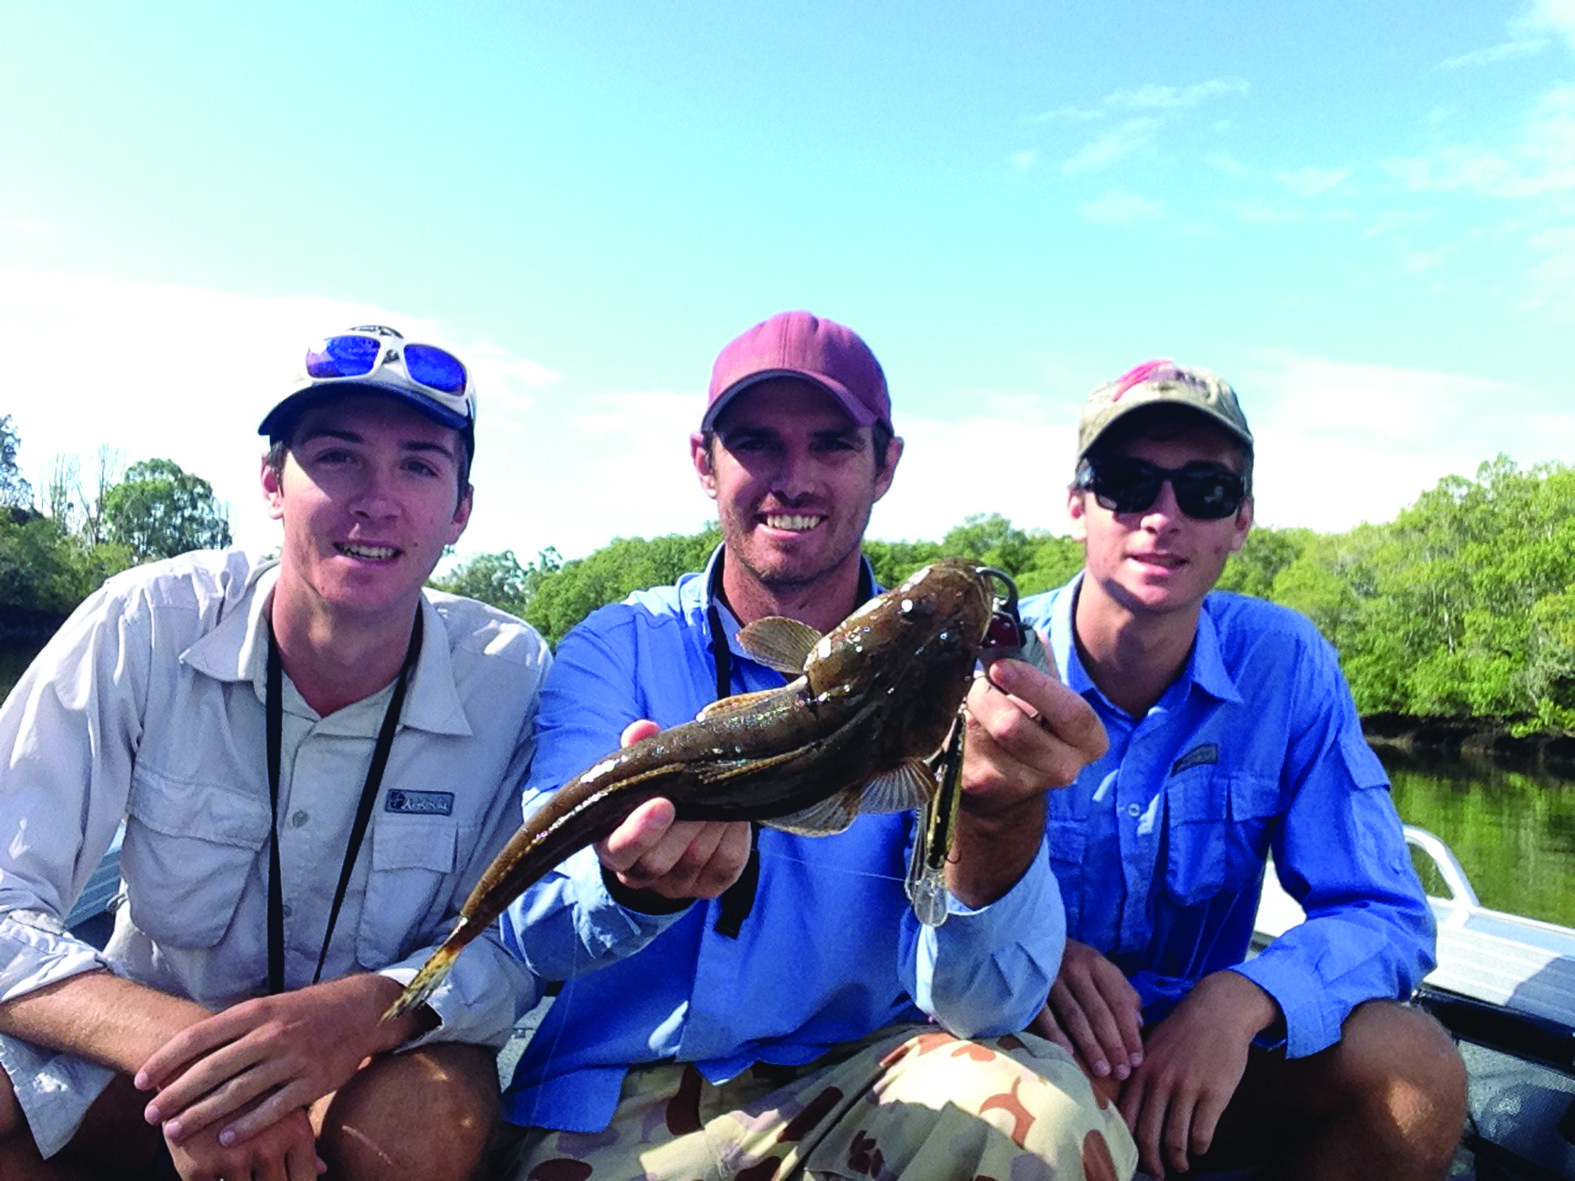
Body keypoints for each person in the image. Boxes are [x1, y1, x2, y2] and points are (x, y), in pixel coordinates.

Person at [494, 310, 1138, 1180]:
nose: (792, 478)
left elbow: (983, 1006)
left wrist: (1000, 809)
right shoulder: (617, 647)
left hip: (865, 1082)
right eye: (756, 442)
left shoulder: (972, 688)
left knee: (1058, 1120)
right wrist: (625, 881)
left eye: (832, 444)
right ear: (703, 461)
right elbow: (531, 927)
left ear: (886, 463)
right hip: (617, 1101)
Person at [0, 324, 549, 1180]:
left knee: (427, 1121)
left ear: (460, 511)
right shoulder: (144, 623)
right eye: (336, 457)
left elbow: (514, 942)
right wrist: (203, 1055)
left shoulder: (510, 676)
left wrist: (367, 1012)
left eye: (418, 465)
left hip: (365, 1063)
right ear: (271, 483)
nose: (377, 498)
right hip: (142, 1053)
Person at [1022, 359, 1468, 1179]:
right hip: (1008, 1051)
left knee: (1415, 1068)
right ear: (1077, 505)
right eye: (1127, 483)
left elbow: (1384, 909)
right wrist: (1029, 948)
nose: (1163, 517)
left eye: (1204, 491)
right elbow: (891, 906)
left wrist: (1238, 1000)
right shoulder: (985, 661)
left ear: (1241, 521)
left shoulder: (1285, 663)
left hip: (1199, 1070)